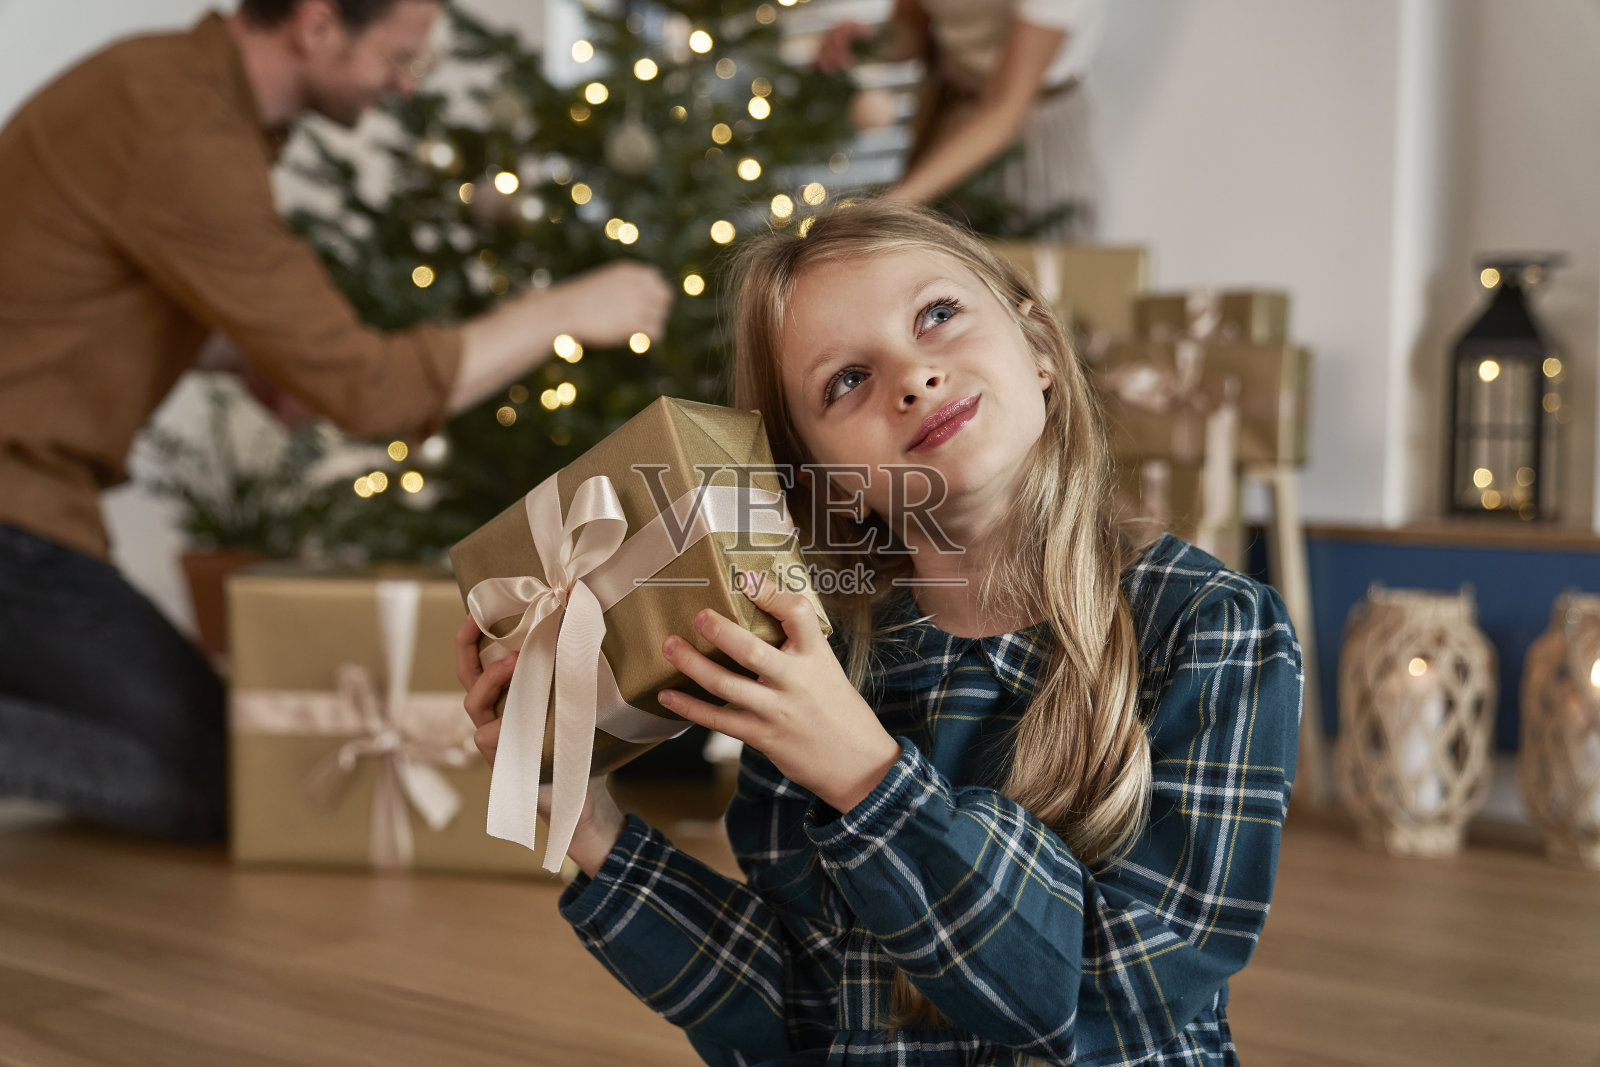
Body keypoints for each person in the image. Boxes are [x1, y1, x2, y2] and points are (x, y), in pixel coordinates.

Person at [456, 201, 1301, 1065]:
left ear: (1040, 347)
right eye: (846, 380)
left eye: (938, 315)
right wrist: (593, 829)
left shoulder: (1214, 627)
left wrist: (869, 777)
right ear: (824, 477)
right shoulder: (818, 667)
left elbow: (1118, 999)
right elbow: (795, 1019)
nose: (911, 376)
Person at [0, 0, 672, 841]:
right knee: (236, 783)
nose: (404, 82)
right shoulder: (182, 129)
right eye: (399, 55)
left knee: (220, 749)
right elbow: (373, 393)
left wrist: (234, 356)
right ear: (317, 24)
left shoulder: (163, 88)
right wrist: (566, 308)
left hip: (28, 507)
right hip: (15, 519)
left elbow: (66, 289)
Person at [818, 0, 1106, 239]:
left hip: (1033, 135)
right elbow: (916, 29)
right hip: (948, 112)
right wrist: (872, 42)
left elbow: (1004, 106)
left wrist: (894, 205)